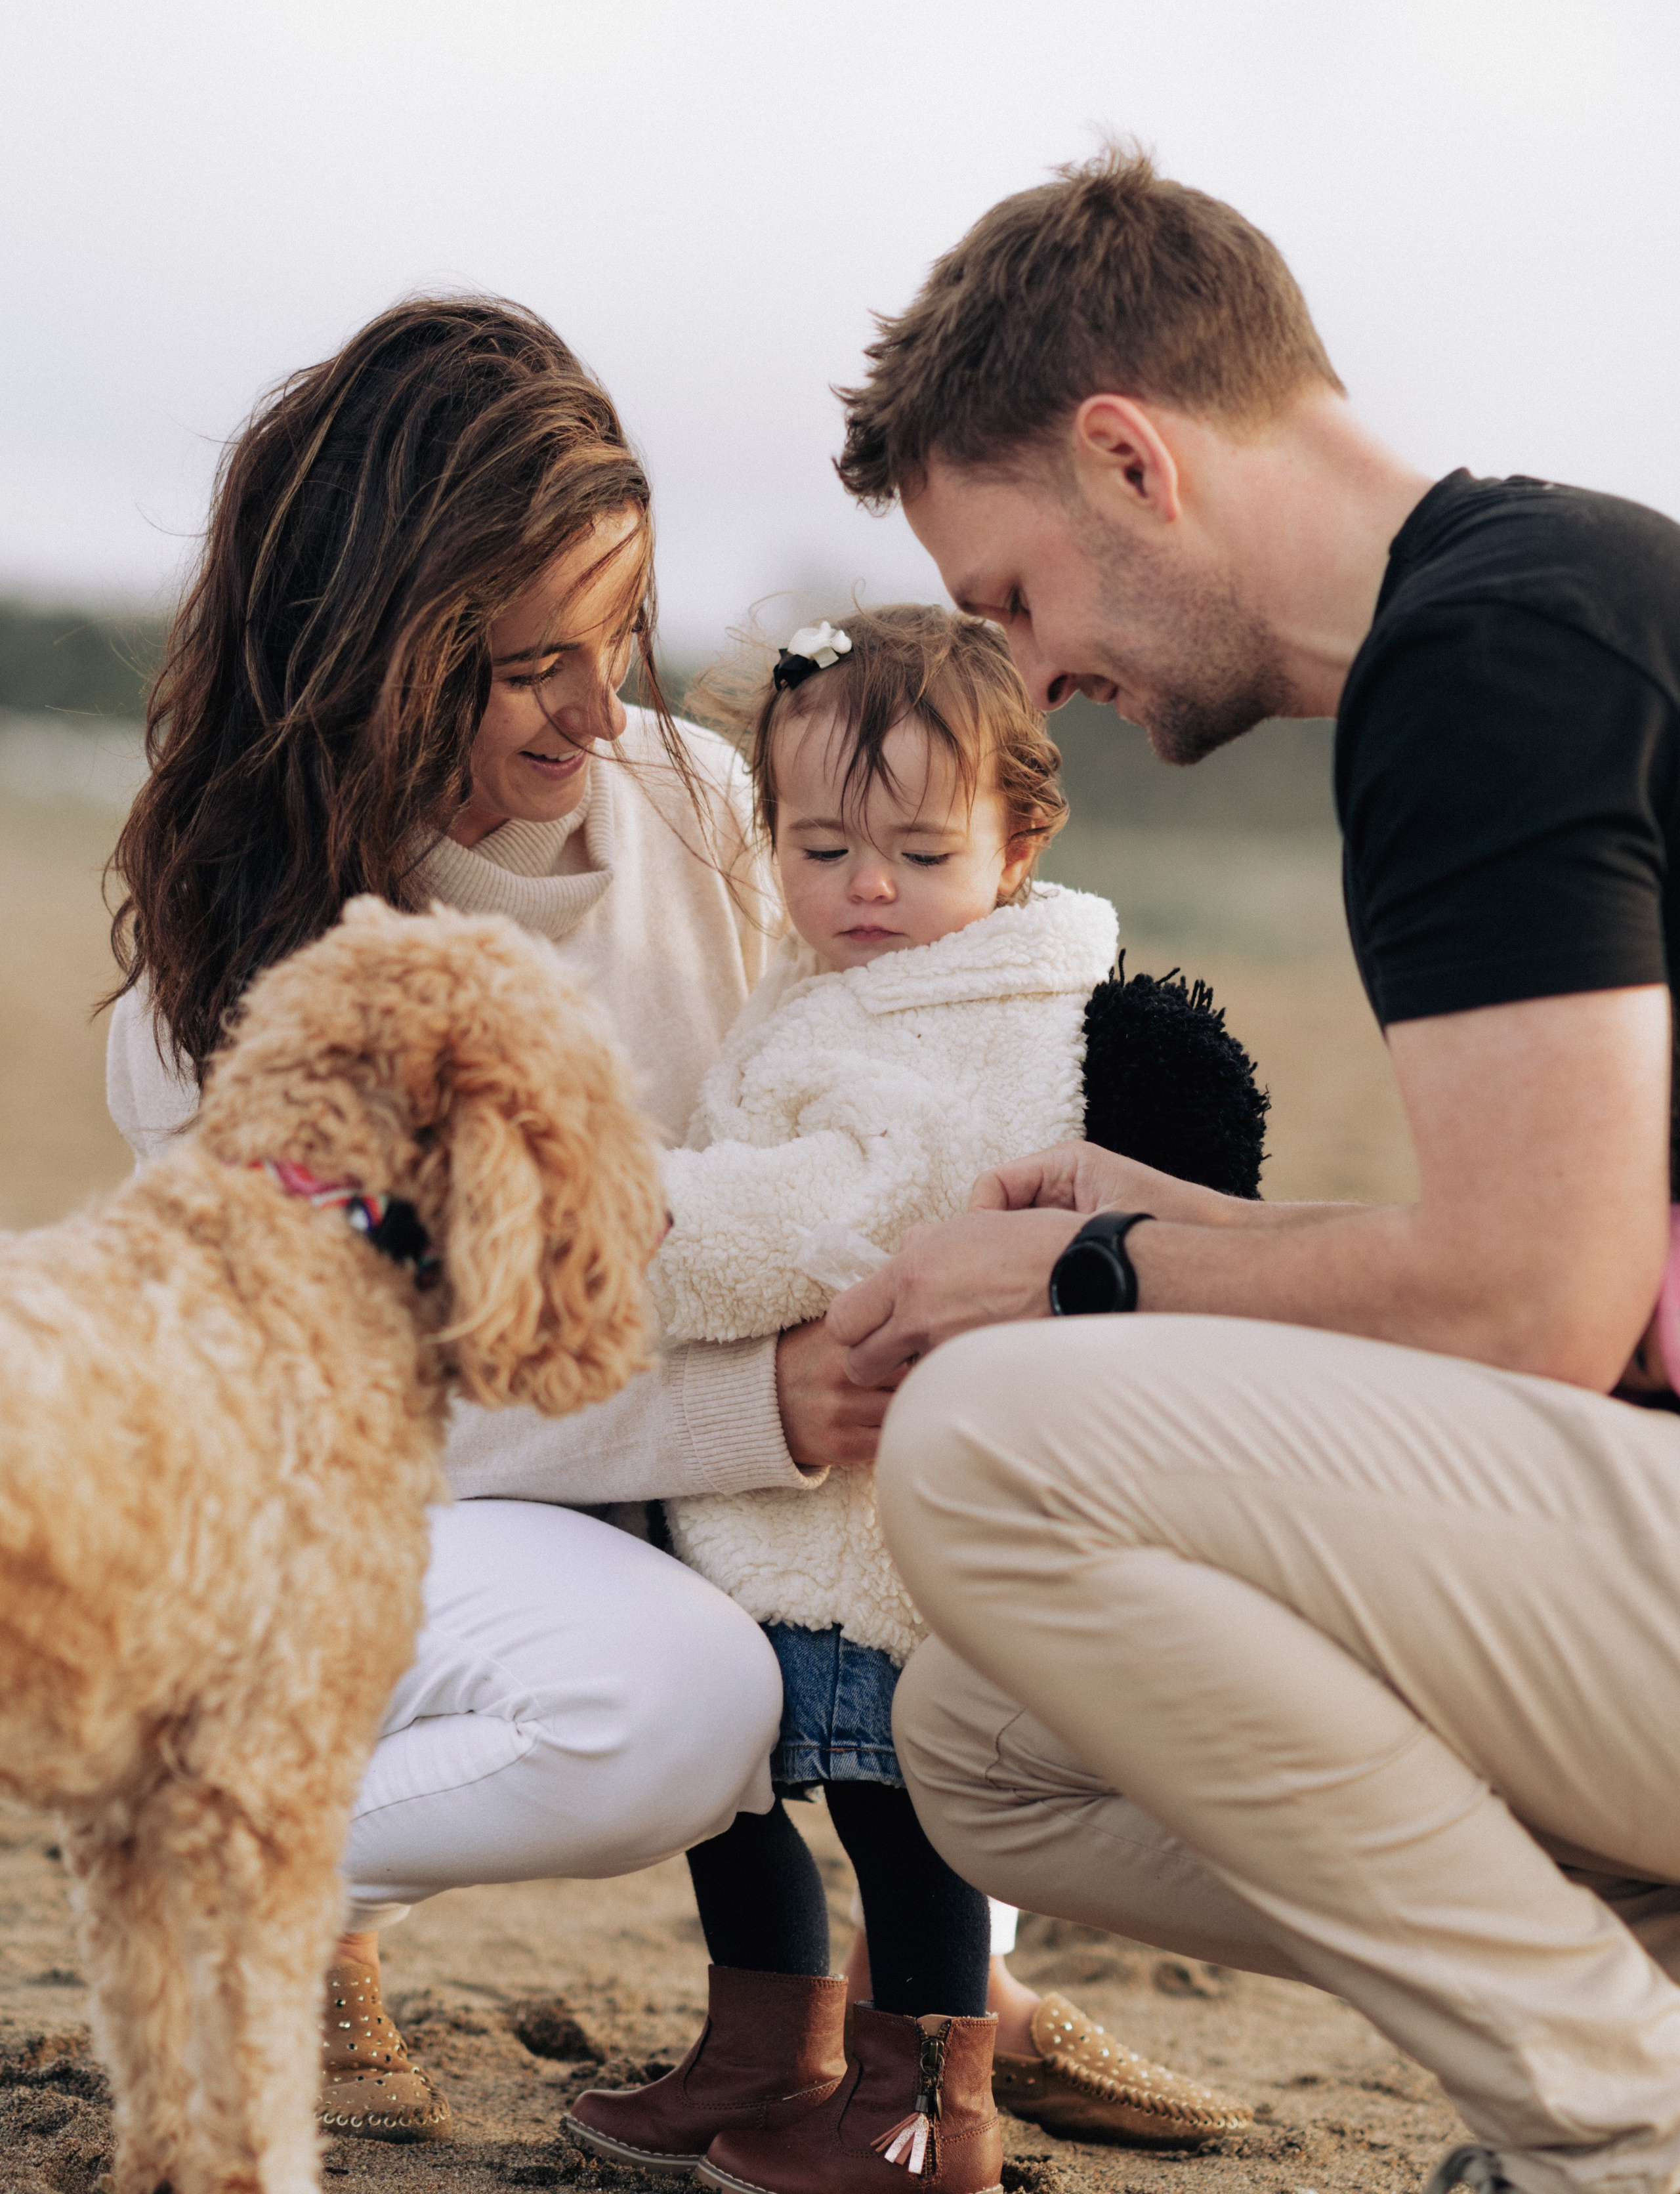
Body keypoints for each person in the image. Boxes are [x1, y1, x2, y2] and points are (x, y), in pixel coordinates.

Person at [810, 144, 1680, 2194]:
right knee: (987, 1751)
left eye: (1006, 599)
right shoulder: (1556, 602)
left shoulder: (1493, 666)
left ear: (1132, 457)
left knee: (992, 1454)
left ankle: (1612, 2124)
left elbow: (1526, 1311)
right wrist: (1167, 1228)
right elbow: (1597, 1263)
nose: (1025, 682)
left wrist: (1072, 1289)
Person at [101, 295, 868, 2145]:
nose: (602, 713)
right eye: (534, 661)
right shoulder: (243, 974)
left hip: (658, 1464)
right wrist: (765, 1405)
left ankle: (950, 2001)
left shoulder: (698, 814)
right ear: (373, 645)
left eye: (622, 637)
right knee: (675, 1708)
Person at [566, 607, 1253, 2187]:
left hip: (883, 1516)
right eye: (818, 846)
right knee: (728, 1794)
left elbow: (825, 1209)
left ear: (1014, 845)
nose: (863, 888)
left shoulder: (986, 1019)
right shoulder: (836, 989)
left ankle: (923, 2106)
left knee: (901, 1805)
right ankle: (764, 2043)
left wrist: (631, 1221)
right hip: (785, 1495)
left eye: (914, 853)